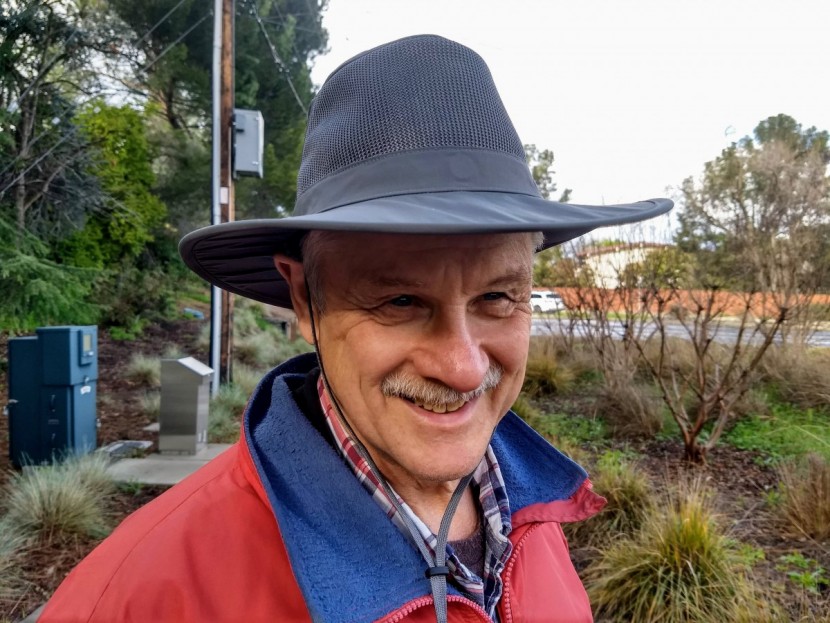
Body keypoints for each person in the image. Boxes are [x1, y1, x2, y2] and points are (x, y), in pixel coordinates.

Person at [40, 34, 671, 622]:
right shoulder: (141, 593)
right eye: (399, 300)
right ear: (304, 299)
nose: (464, 366)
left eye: (499, 297)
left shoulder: (533, 515)